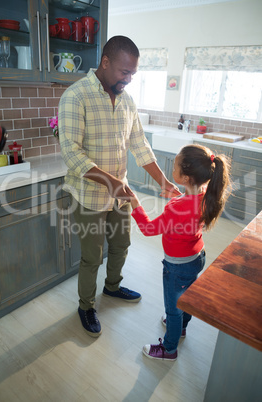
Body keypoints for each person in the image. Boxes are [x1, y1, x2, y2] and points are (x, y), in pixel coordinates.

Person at [58, 35, 180, 338]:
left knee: (122, 244)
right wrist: (111, 183)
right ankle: (86, 305)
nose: (128, 79)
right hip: (89, 195)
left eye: (133, 74)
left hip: (120, 194)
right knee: (91, 256)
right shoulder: (76, 96)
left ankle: (111, 287)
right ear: (105, 62)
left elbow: (140, 145)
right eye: (123, 72)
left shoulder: (127, 101)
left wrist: (163, 182)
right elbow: (72, 152)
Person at [130, 144, 231, 361]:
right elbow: (187, 209)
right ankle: (182, 327)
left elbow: (149, 229)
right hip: (196, 257)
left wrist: (134, 203)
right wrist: (178, 198)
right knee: (186, 297)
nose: (172, 169)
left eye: (175, 166)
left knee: (173, 309)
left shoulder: (178, 208)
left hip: (177, 266)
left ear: (185, 178)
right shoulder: (206, 195)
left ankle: (169, 348)